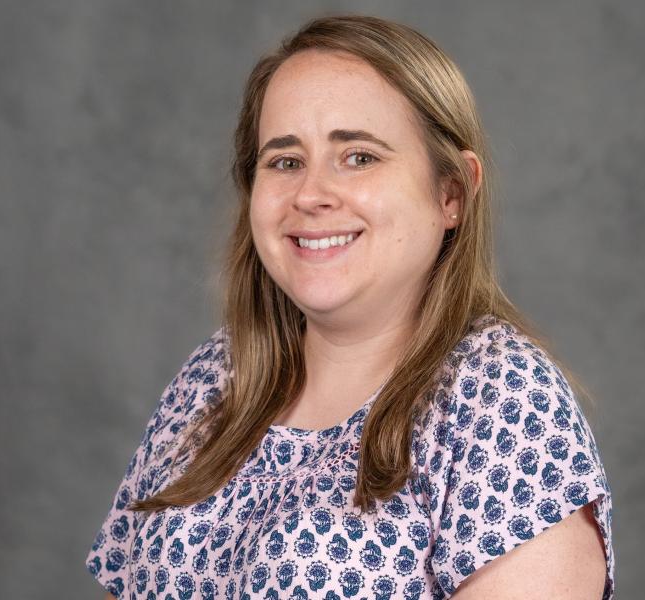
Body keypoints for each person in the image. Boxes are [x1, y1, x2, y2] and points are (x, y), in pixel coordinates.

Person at [85, 14, 614, 599]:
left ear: (452, 193)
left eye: (359, 156)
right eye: (285, 161)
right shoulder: (213, 379)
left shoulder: (503, 403)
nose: (311, 195)